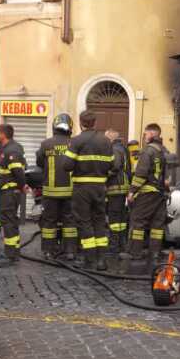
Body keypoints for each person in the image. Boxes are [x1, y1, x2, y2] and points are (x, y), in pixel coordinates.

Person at [63, 110, 115, 271]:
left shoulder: (76, 141)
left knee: (84, 222)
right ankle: (101, 260)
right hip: (100, 188)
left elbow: (67, 165)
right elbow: (112, 165)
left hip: (82, 188)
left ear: (80, 123)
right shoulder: (106, 141)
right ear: (95, 123)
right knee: (99, 221)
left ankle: (89, 258)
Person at [35, 113, 78, 260]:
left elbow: (39, 163)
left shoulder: (46, 144)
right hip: (71, 192)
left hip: (50, 192)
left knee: (49, 222)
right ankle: (70, 251)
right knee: (70, 222)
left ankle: (48, 250)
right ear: (70, 127)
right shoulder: (74, 144)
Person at [126, 123, 169, 270]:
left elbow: (141, 174)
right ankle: (155, 253)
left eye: (145, 134)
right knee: (157, 225)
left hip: (147, 193)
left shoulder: (148, 151)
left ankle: (136, 253)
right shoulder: (164, 150)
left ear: (151, 134)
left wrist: (132, 191)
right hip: (161, 193)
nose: (144, 137)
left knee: (138, 222)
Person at [0, 124, 27, 268]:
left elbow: (18, 172)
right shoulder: (5, 149)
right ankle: (13, 252)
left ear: (3, 134)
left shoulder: (12, 150)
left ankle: (10, 256)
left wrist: (22, 186)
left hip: (9, 193)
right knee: (10, 222)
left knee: (8, 223)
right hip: (4, 192)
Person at [105, 129, 132, 258]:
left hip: (115, 187)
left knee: (114, 218)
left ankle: (114, 247)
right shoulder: (123, 148)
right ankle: (122, 244)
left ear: (110, 138)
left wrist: (104, 175)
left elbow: (115, 166)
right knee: (121, 218)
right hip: (123, 186)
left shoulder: (114, 149)